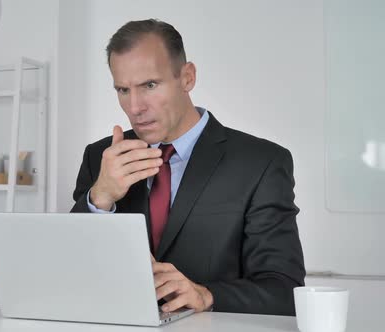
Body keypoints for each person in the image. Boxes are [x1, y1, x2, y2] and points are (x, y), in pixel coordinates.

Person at [70, 19, 305, 316]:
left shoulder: (261, 163)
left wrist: (207, 295)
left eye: (150, 85)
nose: (135, 107)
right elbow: (73, 272)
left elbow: (284, 291)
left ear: (187, 77)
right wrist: (99, 198)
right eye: (123, 90)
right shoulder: (100, 157)